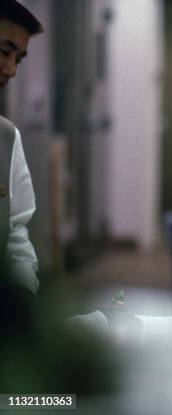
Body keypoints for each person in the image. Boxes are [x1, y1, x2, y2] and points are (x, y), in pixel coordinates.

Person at [0, 0, 43, 304]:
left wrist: (22, 291)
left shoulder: (6, 138)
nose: (11, 70)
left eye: (19, 59)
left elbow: (15, 231)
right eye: (4, 52)